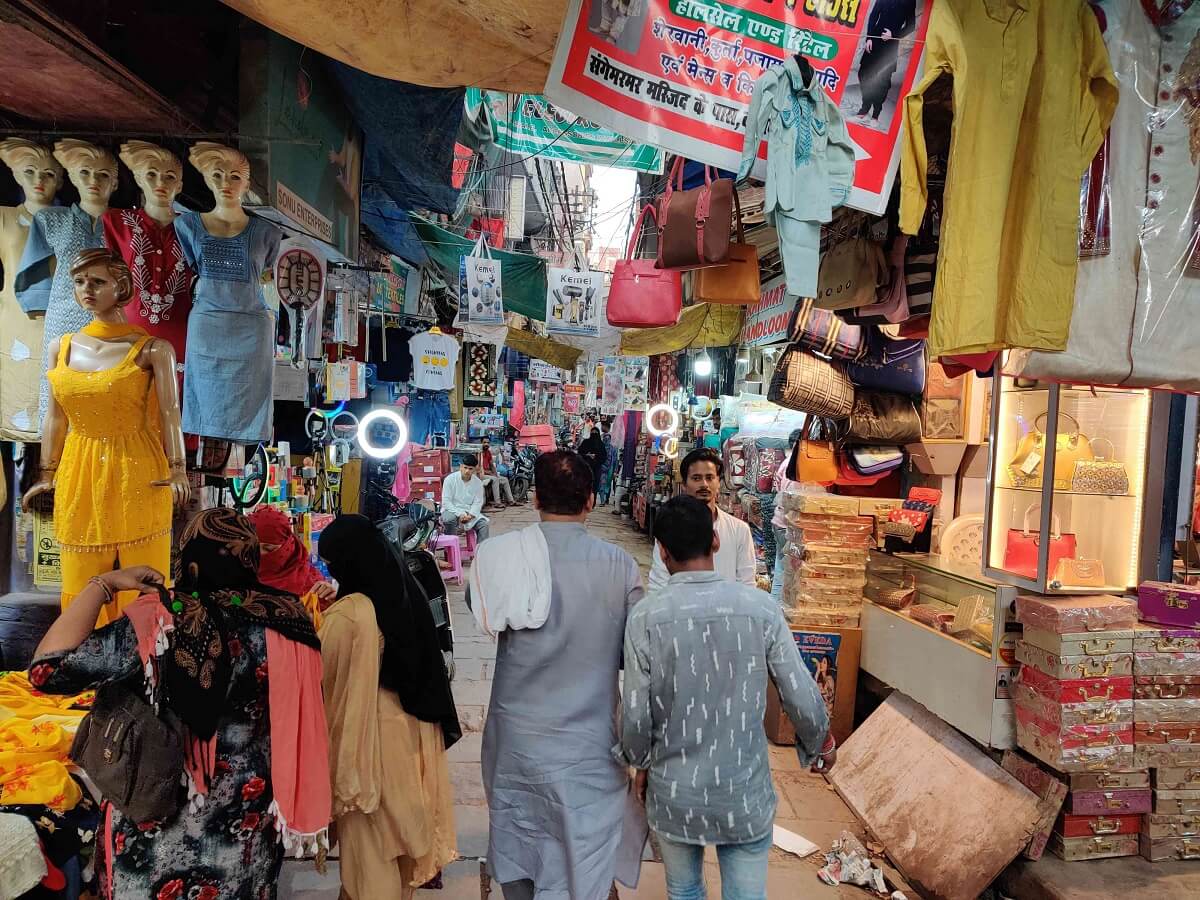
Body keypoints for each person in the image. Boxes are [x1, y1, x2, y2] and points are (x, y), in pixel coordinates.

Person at [27, 507, 331, 899]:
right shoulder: (289, 621)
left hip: (155, 823)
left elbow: (46, 672)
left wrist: (103, 584)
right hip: (244, 824)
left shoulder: (157, 622)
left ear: (187, 557)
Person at [620, 495, 834, 900]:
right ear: (716, 541)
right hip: (743, 792)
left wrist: (640, 763)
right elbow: (800, 692)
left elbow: (635, 714)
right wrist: (821, 742)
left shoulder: (646, 618)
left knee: (684, 891)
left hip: (675, 792)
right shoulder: (759, 608)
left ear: (662, 552)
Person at [481, 450, 647, 900]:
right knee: (584, 859)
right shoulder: (620, 566)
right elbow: (635, 661)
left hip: (517, 738)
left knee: (520, 842)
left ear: (535, 498)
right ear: (592, 500)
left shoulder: (503, 556)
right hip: (589, 745)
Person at [317, 514, 460, 900]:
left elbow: (322, 675)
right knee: (398, 854)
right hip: (409, 733)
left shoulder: (350, 615)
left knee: (370, 856)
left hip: (369, 744)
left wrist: (323, 618)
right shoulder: (401, 589)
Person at [648, 447, 755, 591]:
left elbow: (747, 585)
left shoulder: (739, 530)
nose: (704, 484)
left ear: (718, 482)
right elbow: (658, 584)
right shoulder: (670, 528)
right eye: (696, 478)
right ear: (684, 484)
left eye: (710, 478)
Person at [249, 505, 337, 621]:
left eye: (269, 549)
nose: (261, 555)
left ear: (287, 546)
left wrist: (331, 604)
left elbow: (327, 630)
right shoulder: (237, 574)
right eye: (253, 549)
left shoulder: (311, 584)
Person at [855, 0, 918, 122]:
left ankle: (876, 112)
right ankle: (866, 105)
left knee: (882, 81)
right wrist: (869, 37)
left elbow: (911, 25)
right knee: (863, 73)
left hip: (890, 44)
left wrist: (893, 34)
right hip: (874, 40)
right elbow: (874, 15)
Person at [441, 453, 489, 543]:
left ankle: (481, 553)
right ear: (460, 467)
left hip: (469, 512)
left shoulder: (478, 483)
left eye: (470, 469)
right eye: (465, 467)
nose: (467, 471)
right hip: (452, 510)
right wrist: (460, 514)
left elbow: (478, 502)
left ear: (475, 469)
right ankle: (451, 549)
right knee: (448, 519)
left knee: (483, 524)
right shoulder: (450, 479)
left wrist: (470, 515)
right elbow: (446, 502)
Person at [480, 436, 515, 508]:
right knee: (495, 479)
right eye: (484, 442)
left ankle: (511, 501)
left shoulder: (488, 452)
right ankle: (497, 502)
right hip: (481, 474)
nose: (486, 444)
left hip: (489, 474)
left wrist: (495, 474)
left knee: (504, 479)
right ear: (481, 443)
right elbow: (479, 468)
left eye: (488, 443)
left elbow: (492, 465)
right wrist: (491, 474)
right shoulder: (479, 453)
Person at [578, 426, 607, 496]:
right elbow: (580, 453)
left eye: (595, 433)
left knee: (595, 486)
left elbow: (604, 457)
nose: (594, 435)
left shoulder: (601, 445)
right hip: (586, 468)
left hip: (597, 468)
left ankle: (593, 501)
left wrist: (596, 457)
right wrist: (587, 455)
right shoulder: (585, 442)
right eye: (592, 433)